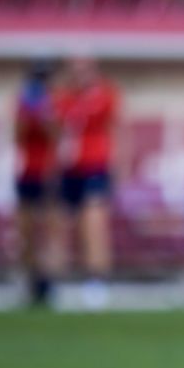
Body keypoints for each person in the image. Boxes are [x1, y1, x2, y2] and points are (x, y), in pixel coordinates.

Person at [52, 55, 122, 309]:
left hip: (96, 164)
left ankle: (96, 283)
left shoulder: (105, 94)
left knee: (94, 223)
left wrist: (120, 165)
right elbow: (56, 131)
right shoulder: (62, 97)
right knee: (62, 225)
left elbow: (119, 128)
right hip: (69, 167)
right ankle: (55, 282)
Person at [14, 59, 59, 304]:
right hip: (27, 172)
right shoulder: (23, 100)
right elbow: (17, 136)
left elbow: (57, 136)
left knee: (51, 229)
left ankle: (49, 281)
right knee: (26, 230)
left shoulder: (57, 101)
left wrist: (46, 115)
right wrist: (28, 112)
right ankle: (29, 280)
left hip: (48, 172)